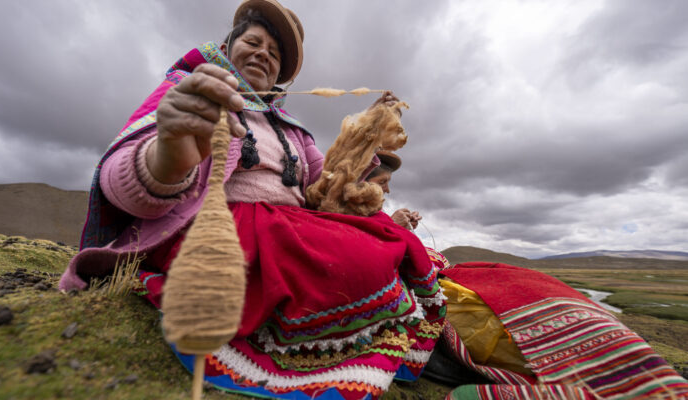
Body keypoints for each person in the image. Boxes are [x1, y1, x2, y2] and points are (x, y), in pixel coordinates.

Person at [59, 1, 447, 399]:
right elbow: (118, 184)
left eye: (274, 54)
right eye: (253, 42)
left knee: (392, 238)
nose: (264, 53)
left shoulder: (293, 130)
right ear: (227, 49)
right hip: (228, 230)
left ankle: (413, 336)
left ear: (279, 74)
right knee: (361, 259)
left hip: (293, 227)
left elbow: (326, 187)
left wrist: (364, 134)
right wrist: (167, 159)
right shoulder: (188, 93)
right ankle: (376, 337)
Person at [366, 150, 422, 230]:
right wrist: (392, 224)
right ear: (361, 181)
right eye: (382, 182)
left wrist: (403, 226)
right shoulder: (344, 213)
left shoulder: (376, 213)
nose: (387, 190)